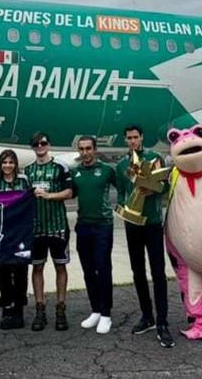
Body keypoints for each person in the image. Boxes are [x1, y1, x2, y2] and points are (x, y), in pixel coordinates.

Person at [115, 125, 174, 348]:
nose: (132, 141)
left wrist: (154, 189)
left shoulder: (154, 158)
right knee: (137, 271)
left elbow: (166, 187)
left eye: (135, 137)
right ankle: (147, 316)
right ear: (125, 140)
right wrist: (123, 208)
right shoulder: (122, 165)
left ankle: (162, 322)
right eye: (128, 138)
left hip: (152, 222)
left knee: (158, 273)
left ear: (142, 138)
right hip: (133, 224)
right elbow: (120, 193)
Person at [24, 131, 72, 331]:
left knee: (60, 267)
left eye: (43, 143)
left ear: (48, 144)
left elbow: (69, 192)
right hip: (36, 228)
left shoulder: (60, 166)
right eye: (36, 144)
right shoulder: (27, 170)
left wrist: (49, 195)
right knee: (37, 268)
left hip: (58, 226)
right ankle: (40, 309)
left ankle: (61, 309)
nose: (40, 146)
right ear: (33, 147)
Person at [69, 135, 117, 335]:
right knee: (88, 270)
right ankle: (95, 310)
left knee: (103, 269)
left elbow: (123, 190)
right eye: (82, 149)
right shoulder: (75, 172)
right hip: (83, 226)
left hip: (103, 226)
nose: (85, 152)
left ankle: (106, 314)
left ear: (95, 149)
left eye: (89, 148)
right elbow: (68, 193)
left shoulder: (107, 171)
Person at [0, 149, 31, 330]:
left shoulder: (24, 181)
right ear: (0, 164)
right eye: (4, 162)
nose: (8, 166)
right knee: (4, 273)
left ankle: (19, 309)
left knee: (21, 273)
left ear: (16, 164)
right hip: (3, 236)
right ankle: (6, 308)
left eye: (11, 162)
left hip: (21, 234)